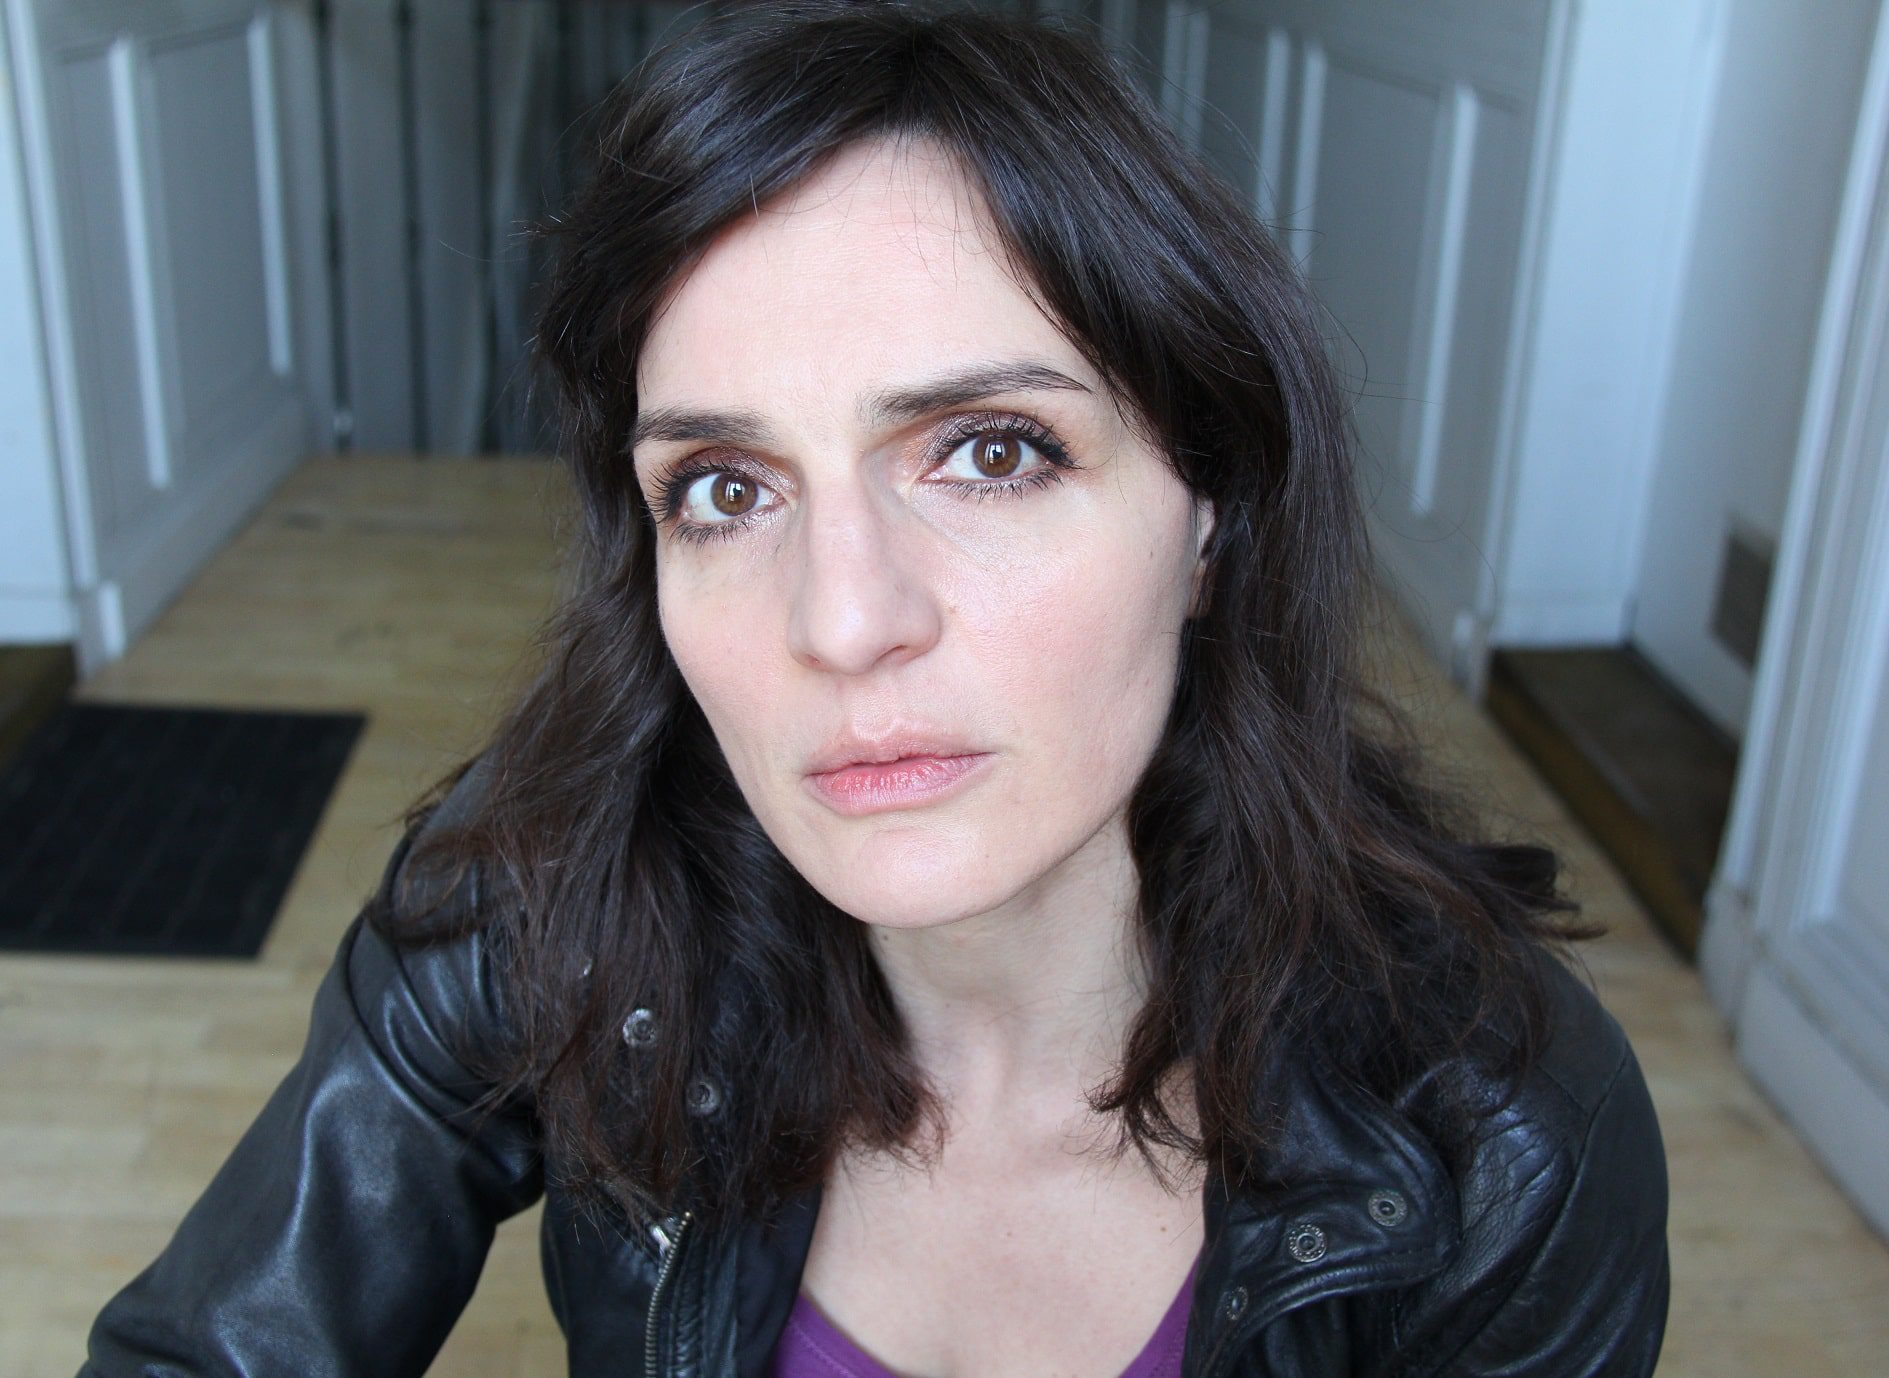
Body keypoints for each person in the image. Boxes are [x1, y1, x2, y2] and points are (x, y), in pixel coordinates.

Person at [78, 2, 1669, 1375]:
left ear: (1209, 514)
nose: (842, 621)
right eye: (725, 486)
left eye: (992, 452)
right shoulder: (545, 897)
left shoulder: (1499, 1134)